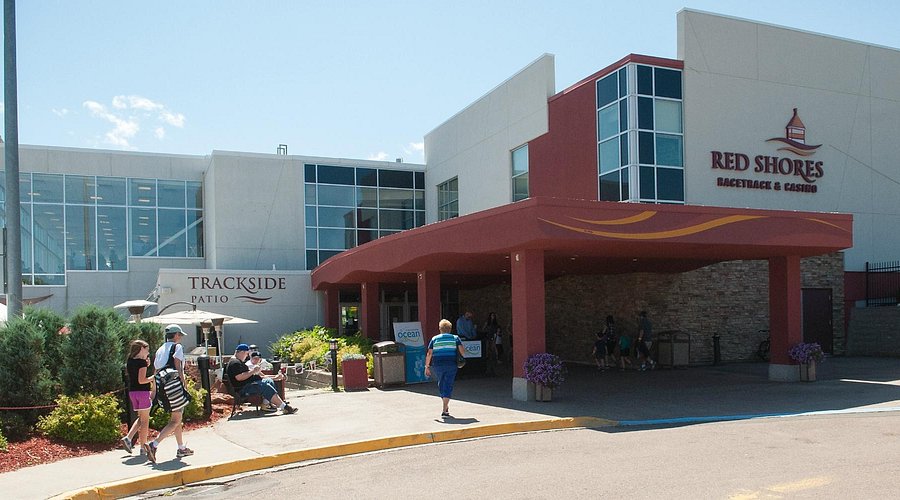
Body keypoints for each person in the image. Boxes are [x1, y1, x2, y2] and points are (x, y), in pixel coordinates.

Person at [146, 325, 194, 463]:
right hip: (174, 386)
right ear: (176, 335)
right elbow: (178, 366)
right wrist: (184, 384)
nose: (181, 337)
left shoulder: (160, 349)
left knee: (176, 418)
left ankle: (181, 447)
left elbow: (156, 371)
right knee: (175, 420)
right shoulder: (177, 347)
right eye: (180, 335)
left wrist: (154, 390)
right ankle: (154, 444)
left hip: (163, 386)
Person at [226, 344, 296, 415]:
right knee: (265, 386)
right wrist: (253, 371)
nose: (247, 356)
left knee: (269, 381)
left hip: (249, 384)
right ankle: (284, 407)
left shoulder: (238, 362)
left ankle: (265, 405)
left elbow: (254, 375)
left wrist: (274, 377)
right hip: (243, 389)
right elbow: (239, 377)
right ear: (242, 352)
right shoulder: (234, 363)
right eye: (247, 354)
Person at [424, 319, 466, 418]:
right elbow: (463, 352)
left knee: (441, 383)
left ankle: (445, 406)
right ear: (450, 329)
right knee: (448, 384)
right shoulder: (455, 338)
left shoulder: (434, 339)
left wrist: (427, 366)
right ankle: (444, 408)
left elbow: (429, 353)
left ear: (440, 329)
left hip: (437, 365)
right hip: (451, 364)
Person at [121, 339, 154, 457]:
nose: (148, 352)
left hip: (133, 392)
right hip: (143, 392)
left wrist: (146, 364)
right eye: (147, 349)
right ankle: (143, 447)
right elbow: (142, 380)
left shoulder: (130, 361)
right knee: (145, 421)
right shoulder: (142, 363)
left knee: (141, 418)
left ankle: (128, 438)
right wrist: (153, 378)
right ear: (141, 349)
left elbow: (136, 375)